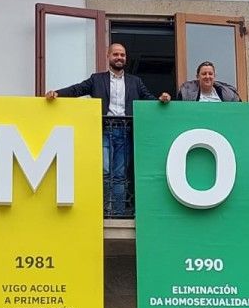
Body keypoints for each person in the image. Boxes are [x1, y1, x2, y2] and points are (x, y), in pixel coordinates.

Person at [45, 42, 170, 215]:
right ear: (108, 56)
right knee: (105, 170)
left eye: (123, 55)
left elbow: (148, 99)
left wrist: (162, 99)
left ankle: (117, 212)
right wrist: (57, 93)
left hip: (125, 132)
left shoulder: (135, 81)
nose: (120, 58)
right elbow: (77, 89)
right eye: (116, 54)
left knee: (119, 175)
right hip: (104, 131)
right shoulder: (97, 79)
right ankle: (103, 210)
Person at [176, 61, 241, 102]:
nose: (207, 76)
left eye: (210, 74)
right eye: (204, 74)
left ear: (214, 76)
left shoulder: (227, 94)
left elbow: (239, 111)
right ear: (197, 77)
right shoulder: (187, 93)